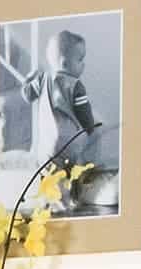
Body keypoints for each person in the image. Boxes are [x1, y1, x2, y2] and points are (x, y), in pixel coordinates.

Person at [21, 29, 99, 192]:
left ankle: (48, 192)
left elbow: (28, 95)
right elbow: (84, 114)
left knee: (49, 170)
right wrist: (91, 128)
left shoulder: (42, 78)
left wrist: (27, 80)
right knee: (79, 162)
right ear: (65, 63)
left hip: (48, 142)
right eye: (80, 60)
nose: (83, 64)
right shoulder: (76, 85)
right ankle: (78, 189)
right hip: (70, 141)